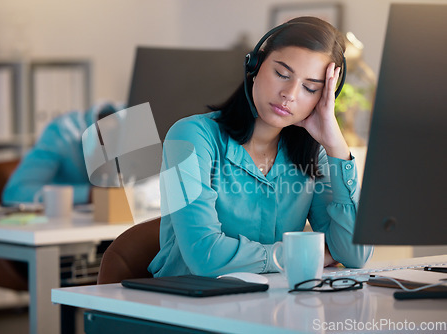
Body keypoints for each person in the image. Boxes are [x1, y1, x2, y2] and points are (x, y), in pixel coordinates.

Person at [148, 16, 373, 278]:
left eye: (310, 88)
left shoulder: (314, 153)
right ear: (255, 66)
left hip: (270, 307)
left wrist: (336, 145)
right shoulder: (189, 137)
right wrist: (298, 255)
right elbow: (204, 256)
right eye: (281, 74)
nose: (290, 93)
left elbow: (355, 255)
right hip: (185, 309)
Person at [2, 103, 117, 206]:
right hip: (61, 223)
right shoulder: (61, 133)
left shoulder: (130, 118)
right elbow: (15, 193)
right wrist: (90, 194)